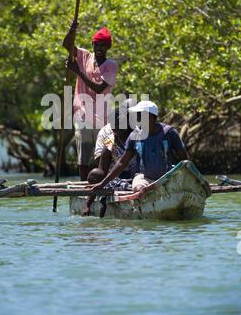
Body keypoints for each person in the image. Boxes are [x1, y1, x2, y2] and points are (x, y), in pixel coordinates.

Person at [91, 100, 188, 193]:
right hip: (142, 177)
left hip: (166, 175)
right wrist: (102, 184)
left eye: (139, 116)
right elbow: (119, 163)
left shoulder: (169, 133)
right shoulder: (118, 137)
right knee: (139, 188)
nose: (137, 119)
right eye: (137, 116)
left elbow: (184, 159)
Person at [63, 20, 118, 180]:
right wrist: (72, 30)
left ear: (108, 47)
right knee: (83, 156)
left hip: (103, 117)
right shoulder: (85, 56)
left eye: (103, 45)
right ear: (92, 44)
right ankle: (83, 188)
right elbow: (67, 45)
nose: (99, 48)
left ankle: (102, 184)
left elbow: (99, 88)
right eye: (96, 45)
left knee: (104, 153)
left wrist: (78, 72)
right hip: (82, 114)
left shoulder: (111, 65)